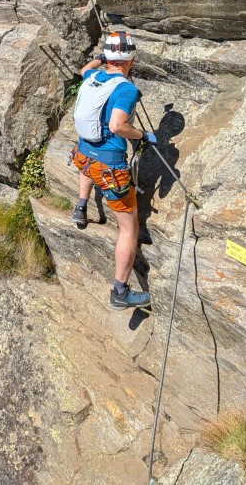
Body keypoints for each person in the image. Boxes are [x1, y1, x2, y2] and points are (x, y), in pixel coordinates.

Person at [71, 31, 156, 310]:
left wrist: (98, 60)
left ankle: (81, 206)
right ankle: (120, 291)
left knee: (89, 168)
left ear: (108, 57)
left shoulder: (93, 77)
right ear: (131, 59)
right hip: (110, 165)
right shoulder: (125, 89)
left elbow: (84, 69)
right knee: (128, 228)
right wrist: (141, 135)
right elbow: (118, 126)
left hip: (84, 153)